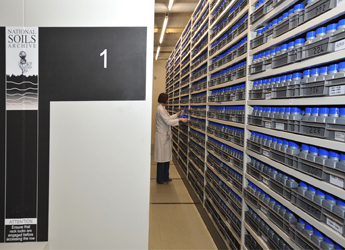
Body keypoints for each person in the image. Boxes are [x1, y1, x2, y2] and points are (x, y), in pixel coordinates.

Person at [154, 93, 187, 184]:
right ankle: (160, 179)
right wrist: (180, 120)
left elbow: (168, 118)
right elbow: (168, 121)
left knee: (166, 158)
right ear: (164, 100)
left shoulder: (162, 108)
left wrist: (177, 115)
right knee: (161, 159)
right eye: (167, 99)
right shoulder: (160, 109)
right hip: (161, 136)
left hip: (165, 136)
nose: (168, 101)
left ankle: (166, 177)